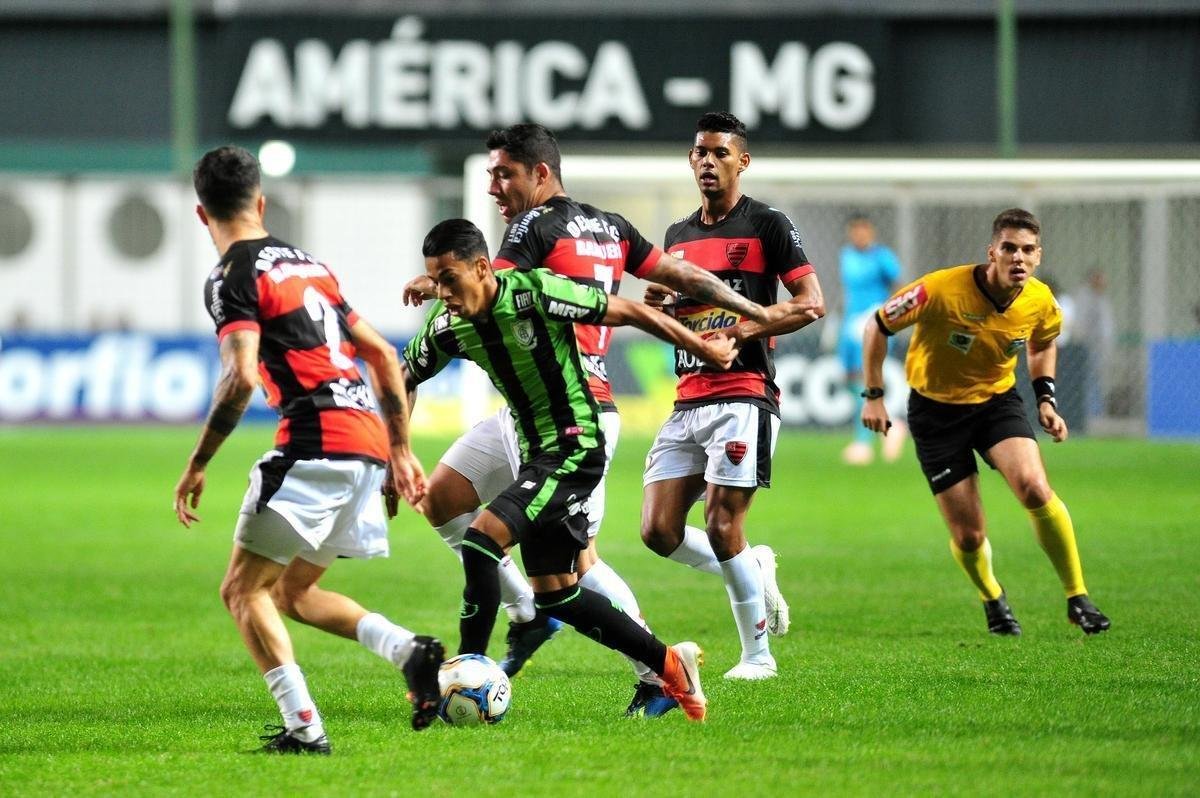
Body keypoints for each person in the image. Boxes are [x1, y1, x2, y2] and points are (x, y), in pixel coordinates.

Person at [402, 123, 780, 716]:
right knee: (449, 503)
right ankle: (534, 616)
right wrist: (748, 307)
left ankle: (649, 674)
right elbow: (680, 277)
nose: (494, 187)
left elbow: (495, 282)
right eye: (490, 175)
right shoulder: (610, 226)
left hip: (576, 416)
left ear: (540, 173)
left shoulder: (530, 235)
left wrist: (435, 282)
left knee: (560, 559)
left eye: (504, 174)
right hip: (529, 409)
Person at [172, 145, 444, 755]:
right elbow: (382, 354)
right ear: (261, 202)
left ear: (201, 214)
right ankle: (409, 651)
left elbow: (240, 378)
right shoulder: (308, 265)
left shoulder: (232, 275)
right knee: (292, 593)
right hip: (365, 445)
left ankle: (304, 729)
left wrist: (198, 462)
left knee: (241, 591)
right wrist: (399, 449)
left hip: (314, 445)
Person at [860, 208, 1111, 637]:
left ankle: (1077, 597)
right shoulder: (939, 290)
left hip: (996, 403)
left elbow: (1042, 343)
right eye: (1009, 248)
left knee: (1035, 488)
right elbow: (877, 326)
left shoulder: (1040, 300)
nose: (1018, 258)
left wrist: (1046, 400)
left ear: (1038, 255)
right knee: (970, 536)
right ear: (992, 252)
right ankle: (992, 596)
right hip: (935, 413)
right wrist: (874, 396)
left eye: (1028, 250)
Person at [640, 111, 825, 681]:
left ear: (742, 161)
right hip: (687, 398)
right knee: (658, 532)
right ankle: (752, 566)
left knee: (723, 525)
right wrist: (659, 307)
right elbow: (676, 319)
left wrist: (742, 332)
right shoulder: (677, 237)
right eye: (700, 152)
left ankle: (758, 657)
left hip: (745, 392)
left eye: (720, 152)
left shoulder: (768, 224)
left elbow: (811, 303)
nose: (708, 162)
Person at [837, 213, 906, 465]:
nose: (859, 235)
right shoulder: (846, 255)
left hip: (871, 324)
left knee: (865, 379)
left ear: (871, 232)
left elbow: (899, 286)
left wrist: (890, 316)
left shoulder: (882, 257)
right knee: (848, 379)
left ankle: (862, 442)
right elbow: (849, 292)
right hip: (849, 324)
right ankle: (889, 425)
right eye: (855, 230)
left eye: (863, 230)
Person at [1069, 268, 1115, 419]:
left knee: (1097, 380)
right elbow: (1081, 324)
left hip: (1100, 347)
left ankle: (1096, 411)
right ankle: (1090, 413)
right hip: (1088, 346)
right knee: (1089, 380)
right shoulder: (1085, 298)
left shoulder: (1101, 298)